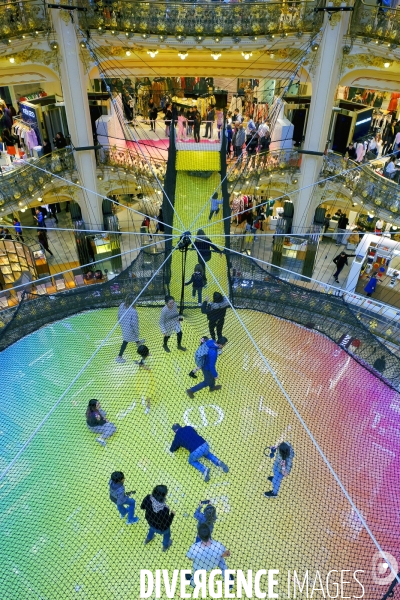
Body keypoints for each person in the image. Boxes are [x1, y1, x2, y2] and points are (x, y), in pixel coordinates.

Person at [186, 523, 233, 589]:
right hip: (214, 563)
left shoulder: (194, 548)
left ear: (198, 536)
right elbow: (227, 554)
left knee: (196, 571)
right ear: (210, 533)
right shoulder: (218, 545)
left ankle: (193, 584)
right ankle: (229, 583)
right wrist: (219, 555)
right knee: (223, 563)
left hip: (201, 567)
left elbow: (190, 558)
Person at [141, 485, 175, 551]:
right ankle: (165, 546)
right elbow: (167, 523)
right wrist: (172, 514)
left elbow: (142, 507)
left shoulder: (148, 498)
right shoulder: (164, 509)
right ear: (164, 495)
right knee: (167, 535)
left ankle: (148, 539)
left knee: (151, 529)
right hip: (162, 528)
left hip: (151, 522)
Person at [116, 293, 144, 363]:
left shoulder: (122, 305)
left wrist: (121, 323)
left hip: (124, 326)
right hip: (130, 329)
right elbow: (134, 324)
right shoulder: (133, 311)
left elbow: (119, 316)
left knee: (129, 338)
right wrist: (137, 332)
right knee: (126, 341)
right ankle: (119, 356)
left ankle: (138, 342)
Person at [135, 344, 153, 413]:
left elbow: (149, 368)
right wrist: (139, 363)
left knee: (147, 391)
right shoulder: (144, 357)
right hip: (142, 375)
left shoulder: (149, 358)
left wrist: (141, 365)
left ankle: (148, 406)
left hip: (147, 377)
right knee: (143, 388)